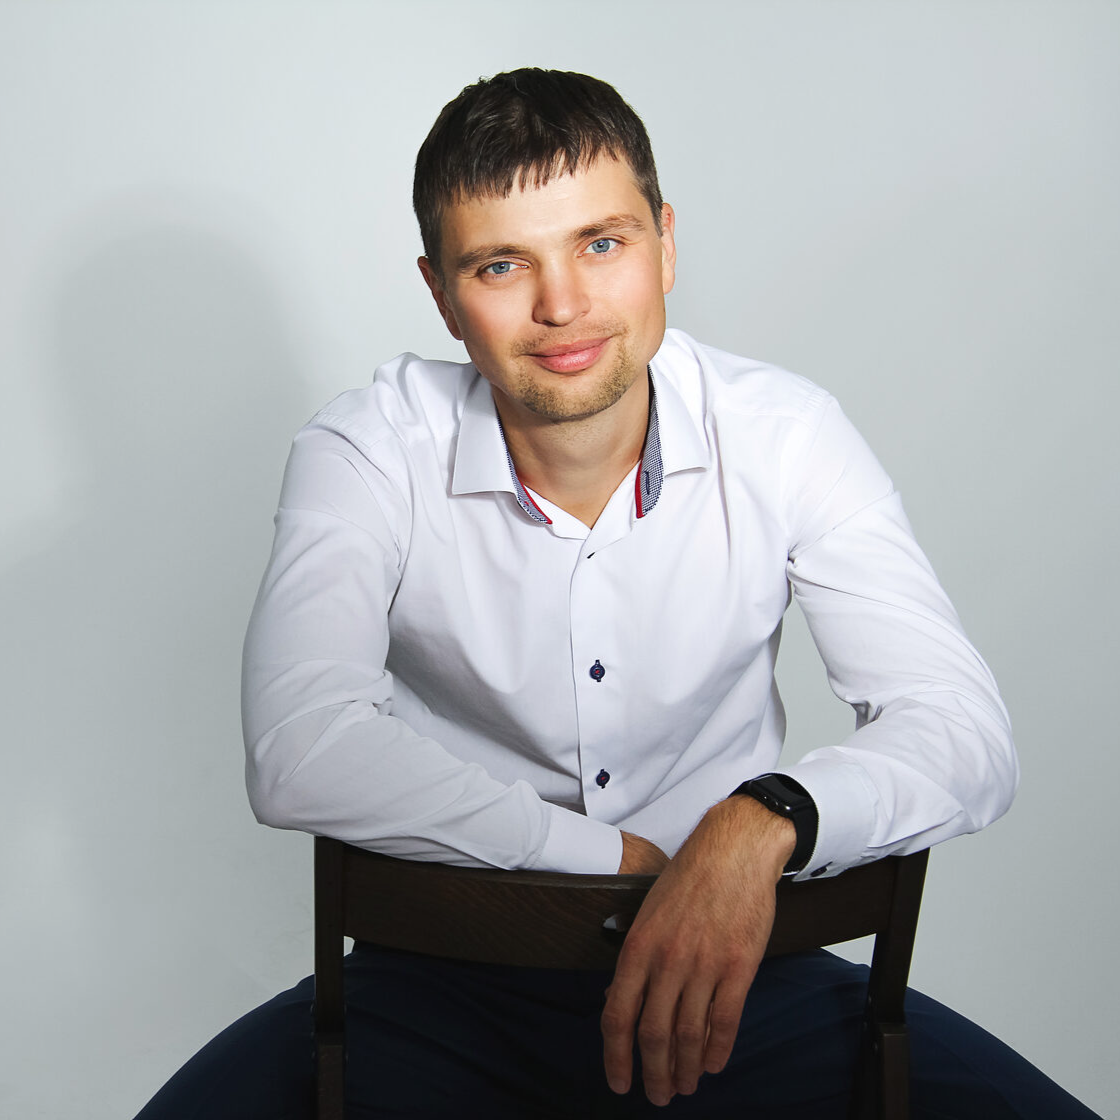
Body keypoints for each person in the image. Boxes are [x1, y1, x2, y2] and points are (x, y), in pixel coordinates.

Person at [135, 69, 1101, 1119]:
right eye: (501, 264)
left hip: (735, 964)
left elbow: (961, 729)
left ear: (664, 243)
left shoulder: (784, 434)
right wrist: (614, 862)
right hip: (436, 982)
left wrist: (761, 819)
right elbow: (302, 747)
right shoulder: (369, 447)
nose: (562, 306)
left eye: (601, 244)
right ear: (441, 294)